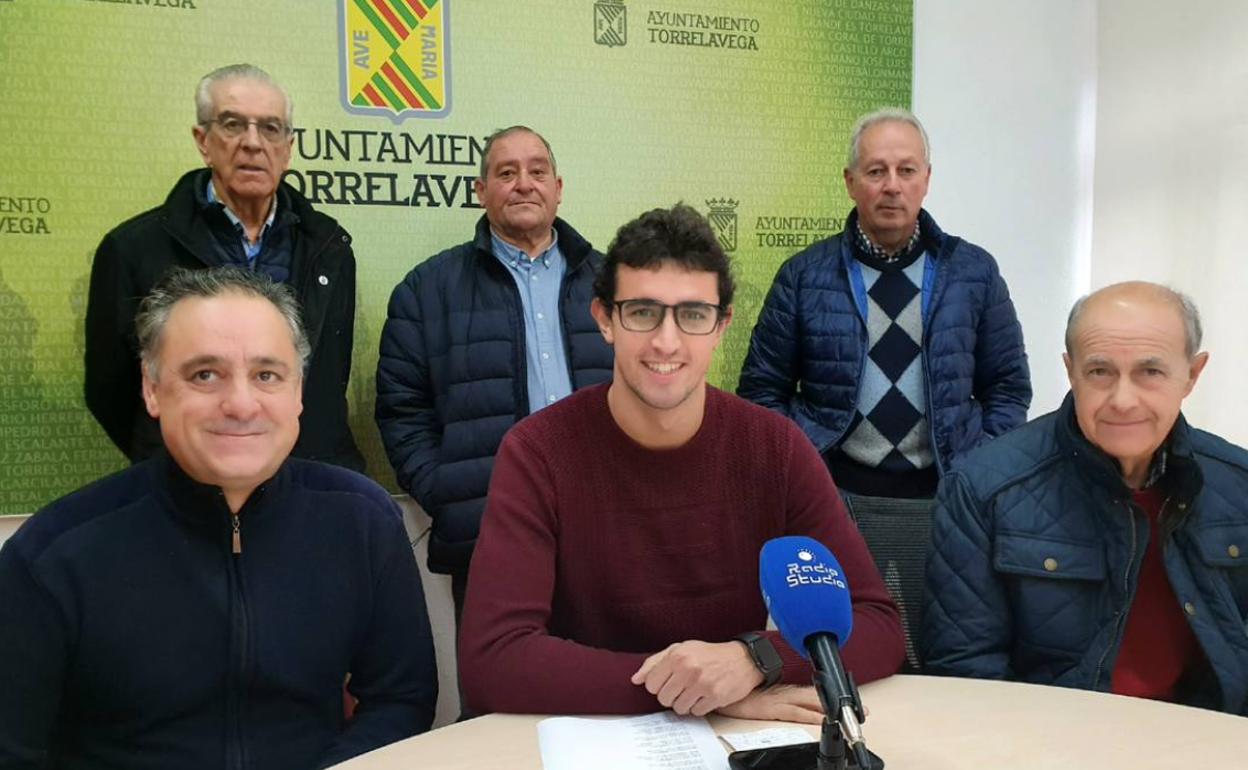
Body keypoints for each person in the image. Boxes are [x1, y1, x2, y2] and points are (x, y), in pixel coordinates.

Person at [458, 204, 904, 719]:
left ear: (721, 325)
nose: (666, 342)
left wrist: (754, 660)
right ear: (605, 319)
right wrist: (702, 695)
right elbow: (493, 662)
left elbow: (878, 624)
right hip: (587, 739)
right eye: (643, 312)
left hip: (733, 747)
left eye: (692, 315)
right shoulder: (538, 452)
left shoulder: (775, 447)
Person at [0, 267, 437, 769]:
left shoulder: (362, 522)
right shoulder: (53, 555)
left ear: (298, 392)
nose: (241, 404)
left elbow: (401, 699)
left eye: (266, 375)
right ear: (152, 389)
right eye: (204, 374)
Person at [736, 108, 1031, 665]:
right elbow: (762, 392)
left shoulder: (974, 272)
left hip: (945, 502)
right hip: (838, 502)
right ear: (850, 182)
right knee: (847, 656)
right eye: (875, 171)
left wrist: (974, 463)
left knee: (944, 655)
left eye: (906, 169)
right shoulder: (804, 275)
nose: (891, 185)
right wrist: (808, 473)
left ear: (927, 178)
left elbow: (1009, 387)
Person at [922, 282, 1248, 715]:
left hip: (1208, 735)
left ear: (1192, 374)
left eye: (1150, 372)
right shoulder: (983, 489)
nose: (1123, 400)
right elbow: (964, 674)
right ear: (1071, 371)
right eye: (1100, 372)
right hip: (1050, 741)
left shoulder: (1238, 483)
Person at [376, 125, 612, 615]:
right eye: (506, 173)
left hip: (609, 533)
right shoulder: (426, 290)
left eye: (537, 171)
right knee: (500, 690)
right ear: (481, 192)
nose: (524, 183)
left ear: (558, 188)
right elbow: (402, 410)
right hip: (490, 538)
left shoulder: (613, 284)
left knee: (613, 682)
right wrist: (448, 493)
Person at [85, 63, 362, 471]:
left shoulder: (329, 249)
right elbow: (111, 390)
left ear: (288, 147)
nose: (253, 143)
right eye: (233, 125)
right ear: (203, 140)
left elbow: (326, 380)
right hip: (187, 490)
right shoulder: (132, 249)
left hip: (309, 484)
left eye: (270, 128)